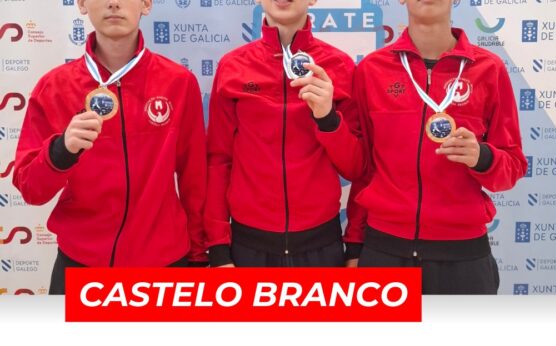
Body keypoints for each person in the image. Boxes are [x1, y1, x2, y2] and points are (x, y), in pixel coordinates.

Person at [13, 0, 207, 294]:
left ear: (146, 4)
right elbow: (30, 189)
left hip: (164, 264)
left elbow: (195, 179)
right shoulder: (54, 87)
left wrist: (199, 255)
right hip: (81, 265)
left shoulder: (179, 83)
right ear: (81, 4)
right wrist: (60, 152)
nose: (114, 3)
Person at [344, 0, 528, 293]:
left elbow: (514, 166)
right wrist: (354, 244)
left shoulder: (488, 69)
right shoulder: (372, 69)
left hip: (463, 256)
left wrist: (482, 157)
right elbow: (364, 170)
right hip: (385, 249)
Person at [205, 0, 365, 267]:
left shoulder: (340, 66)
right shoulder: (233, 66)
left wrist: (327, 119)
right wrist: (218, 247)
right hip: (249, 247)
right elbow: (219, 161)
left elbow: (356, 168)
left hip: (321, 245)